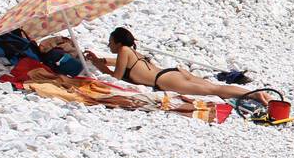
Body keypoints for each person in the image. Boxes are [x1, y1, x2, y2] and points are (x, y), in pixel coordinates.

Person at [84, 27, 270, 104]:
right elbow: (115, 61)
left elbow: (115, 77)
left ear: (117, 43)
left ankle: (254, 94)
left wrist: (100, 67)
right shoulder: (132, 52)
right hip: (174, 72)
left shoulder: (124, 51)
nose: (109, 45)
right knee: (213, 86)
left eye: (110, 42)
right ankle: (257, 93)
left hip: (165, 80)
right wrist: (98, 59)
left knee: (213, 91)